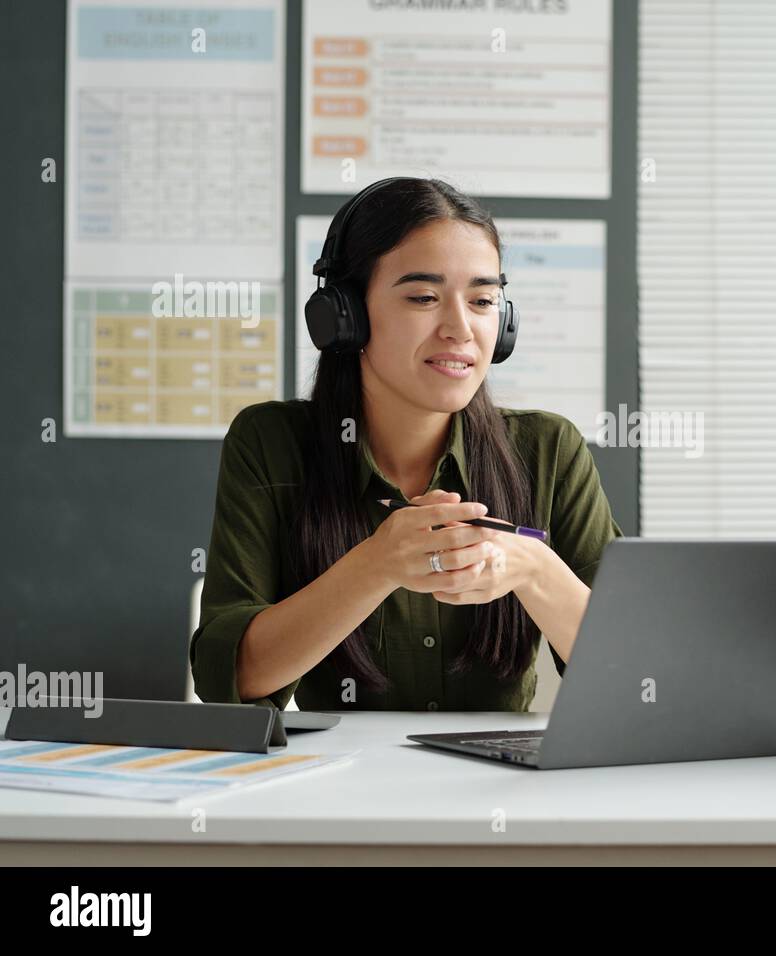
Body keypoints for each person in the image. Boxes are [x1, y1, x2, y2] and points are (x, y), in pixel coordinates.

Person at [190, 177, 621, 711]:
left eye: (483, 300)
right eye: (423, 297)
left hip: (501, 791)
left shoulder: (548, 449)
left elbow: (636, 678)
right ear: (344, 316)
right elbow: (229, 681)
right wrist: (378, 564)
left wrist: (533, 566)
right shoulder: (271, 443)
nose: (460, 329)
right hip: (341, 787)